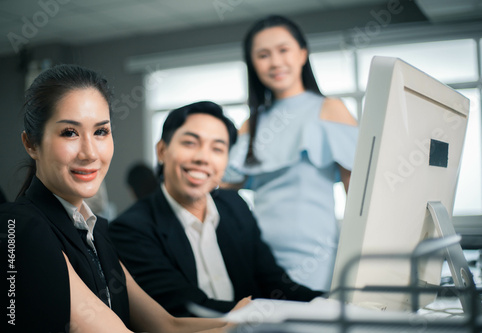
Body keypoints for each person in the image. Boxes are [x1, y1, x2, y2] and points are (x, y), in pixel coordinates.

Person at [0, 65, 247, 333]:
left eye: (101, 132)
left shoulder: (97, 232)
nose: (90, 152)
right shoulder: (20, 226)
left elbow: (167, 325)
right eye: (69, 132)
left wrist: (247, 317)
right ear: (31, 144)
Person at [109, 101, 322, 317]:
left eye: (217, 148)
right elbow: (186, 308)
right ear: (162, 151)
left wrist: (328, 302)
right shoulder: (130, 229)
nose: (203, 158)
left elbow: (275, 284)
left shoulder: (235, 206)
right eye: (190, 143)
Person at [223, 15, 359, 291]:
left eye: (283, 50)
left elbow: (358, 194)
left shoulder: (331, 109)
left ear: (302, 53)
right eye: (263, 55)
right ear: (253, 64)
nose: (275, 62)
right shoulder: (251, 124)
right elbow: (222, 190)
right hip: (258, 256)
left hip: (315, 258)